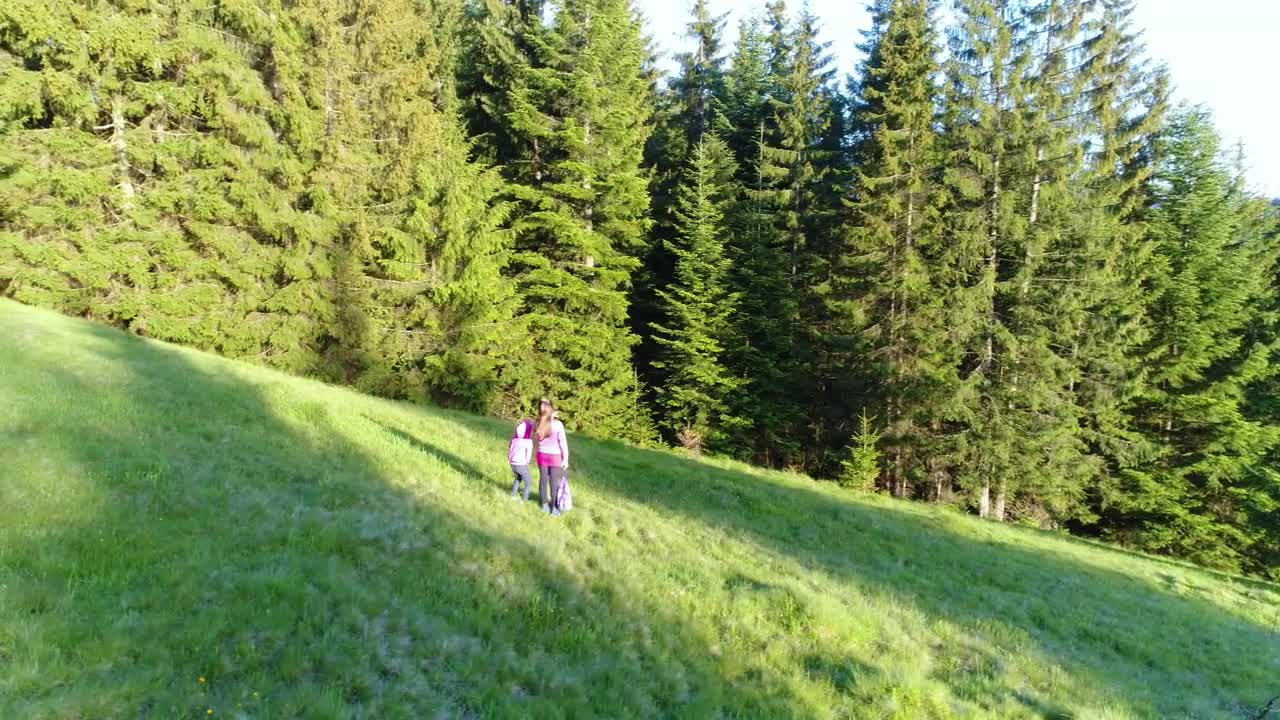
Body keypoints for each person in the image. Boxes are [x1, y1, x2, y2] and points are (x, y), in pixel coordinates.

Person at [534, 399, 569, 515]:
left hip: (541, 456)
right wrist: (565, 459)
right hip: (555, 457)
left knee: (543, 480)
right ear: (551, 410)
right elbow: (563, 443)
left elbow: (544, 420)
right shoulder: (558, 425)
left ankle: (544, 505)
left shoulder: (537, 423)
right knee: (554, 483)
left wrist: (550, 415)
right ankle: (554, 508)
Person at [508, 417, 534, 501]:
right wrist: (527, 463)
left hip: (513, 464)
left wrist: (511, 460)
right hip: (521, 465)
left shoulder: (514, 440)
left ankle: (513, 495)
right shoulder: (528, 442)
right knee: (529, 482)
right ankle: (524, 500)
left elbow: (510, 451)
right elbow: (528, 455)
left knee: (518, 478)